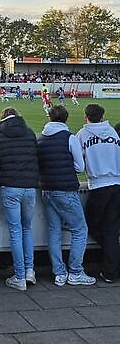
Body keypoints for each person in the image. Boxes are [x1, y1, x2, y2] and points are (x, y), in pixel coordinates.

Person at [38, 105, 95, 286]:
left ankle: (59, 273)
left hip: (47, 189)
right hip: (65, 189)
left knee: (54, 231)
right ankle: (76, 271)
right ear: (66, 118)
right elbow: (79, 166)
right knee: (80, 229)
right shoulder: (69, 138)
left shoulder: (41, 138)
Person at [0, 107, 39, 291]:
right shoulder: (29, 133)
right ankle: (29, 270)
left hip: (11, 186)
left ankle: (19, 275)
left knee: (16, 230)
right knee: (27, 228)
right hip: (29, 186)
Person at [76, 104, 120, 283]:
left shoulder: (82, 135)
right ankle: (110, 270)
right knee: (111, 229)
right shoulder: (113, 133)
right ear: (102, 116)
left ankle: (113, 261)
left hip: (99, 186)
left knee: (91, 224)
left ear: (86, 116)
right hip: (116, 184)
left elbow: (78, 163)